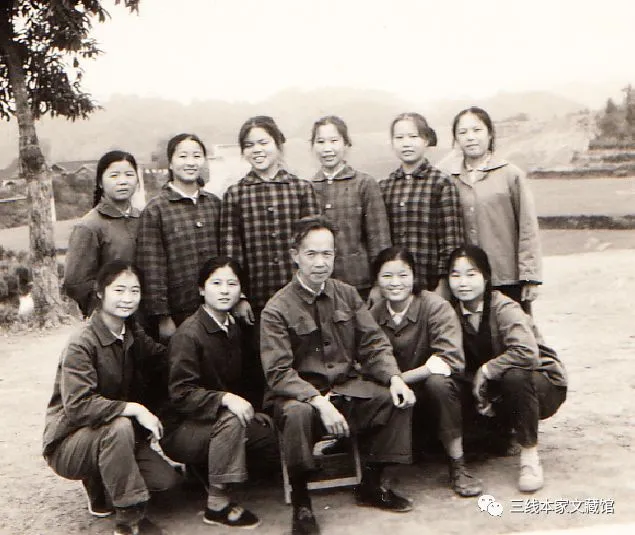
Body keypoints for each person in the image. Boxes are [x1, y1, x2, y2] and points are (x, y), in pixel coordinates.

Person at [260, 216, 416, 535]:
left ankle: (371, 483)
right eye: (311, 254)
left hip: (345, 389)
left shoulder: (346, 294)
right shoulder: (276, 309)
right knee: (297, 414)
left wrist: (394, 378)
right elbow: (278, 372)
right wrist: (318, 402)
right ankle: (302, 503)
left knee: (394, 399)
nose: (320, 262)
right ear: (294, 256)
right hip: (300, 397)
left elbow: (373, 343)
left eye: (327, 253)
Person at [43, 261, 180, 535]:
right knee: (119, 425)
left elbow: (163, 358)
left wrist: (192, 345)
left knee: (165, 483)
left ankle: (101, 485)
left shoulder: (131, 332)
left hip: (112, 435)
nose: (127, 298)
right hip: (70, 441)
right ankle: (129, 520)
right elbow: (79, 406)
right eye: (119, 290)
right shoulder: (81, 343)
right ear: (100, 292)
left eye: (134, 291)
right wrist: (134, 409)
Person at [161, 257, 279, 529]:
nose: (224, 291)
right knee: (232, 420)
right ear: (201, 289)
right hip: (181, 428)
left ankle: (204, 470)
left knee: (267, 436)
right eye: (216, 283)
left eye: (232, 284)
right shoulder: (189, 334)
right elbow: (181, 393)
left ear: (241, 291)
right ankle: (217, 504)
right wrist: (225, 399)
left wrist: (254, 409)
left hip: (211, 421)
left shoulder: (232, 327)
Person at [447, 245, 567, 492]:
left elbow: (526, 353)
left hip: (540, 383)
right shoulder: (451, 312)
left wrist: (486, 370)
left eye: (471, 274)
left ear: (486, 277)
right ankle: (498, 434)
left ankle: (530, 456)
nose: (463, 282)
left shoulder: (504, 307)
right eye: (455, 275)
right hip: (494, 388)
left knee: (515, 375)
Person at [221, 116, 320, 408]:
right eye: (249, 145)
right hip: (258, 301)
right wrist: (240, 297)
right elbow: (232, 251)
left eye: (263, 142)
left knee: (305, 361)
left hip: (299, 296)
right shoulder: (236, 194)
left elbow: (313, 245)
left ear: (279, 145)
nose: (257, 150)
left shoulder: (300, 188)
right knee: (262, 365)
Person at [369, 246, 482, 497]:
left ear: (414, 276)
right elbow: (367, 357)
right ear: (376, 279)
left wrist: (399, 379)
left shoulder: (435, 306)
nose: (395, 283)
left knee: (438, 383)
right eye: (387, 276)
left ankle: (458, 465)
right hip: (398, 393)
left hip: (440, 391)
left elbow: (449, 359)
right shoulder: (374, 314)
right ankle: (385, 466)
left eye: (403, 275)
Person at [445, 106, 542, 314]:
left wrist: (530, 277)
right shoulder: (448, 178)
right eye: (463, 132)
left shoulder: (510, 175)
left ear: (490, 134)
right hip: (465, 280)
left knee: (514, 328)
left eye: (477, 130)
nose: (470, 137)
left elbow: (527, 227)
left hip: (506, 276)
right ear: (456, 138)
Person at [136, 133, 221, 341]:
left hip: (217, 307)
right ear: (171, 163)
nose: (190, 162)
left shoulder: (215, 204)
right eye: (183, 156)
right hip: (178, 312)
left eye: (197, 156)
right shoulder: (156, 210)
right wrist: (163, 317)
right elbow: (152, 268)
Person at [379, 112, 463, 296]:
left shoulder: (441, 183)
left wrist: (444, 283)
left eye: (413, 136)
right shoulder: (385, 186)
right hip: (395, 285)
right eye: (399, 138)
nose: (406, 143)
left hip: (430, 283)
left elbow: (451, 241)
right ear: (392, 143)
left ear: (426, 140)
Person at [309, 115, 391, 301]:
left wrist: (379, 285)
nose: (327, 148)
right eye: (320, 142)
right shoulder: (308, 187)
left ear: (346, 144)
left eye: (334, 141)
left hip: (360, 284)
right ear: (313, 146)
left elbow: (379, 239)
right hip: (320, 286)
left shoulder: (364, 184)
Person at [64, 150, 141, 318]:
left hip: (147, 316)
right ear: (100, 182)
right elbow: (75, 283)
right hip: (110, 317)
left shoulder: (145, 219)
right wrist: (110, 305)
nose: (123, 181)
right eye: (114, 176)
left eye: (129, 175)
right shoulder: (89, 226)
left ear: (137, 180)